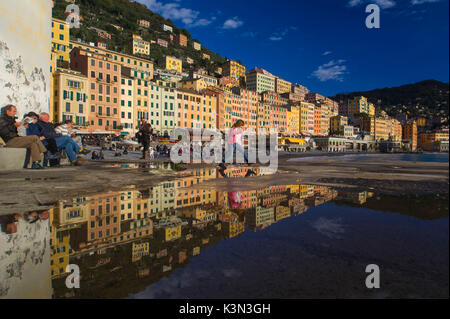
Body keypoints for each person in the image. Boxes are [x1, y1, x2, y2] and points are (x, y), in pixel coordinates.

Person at [0, 105, 47, 169]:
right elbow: (5, 133)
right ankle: (44, 151)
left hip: (15, 139)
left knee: (33, 143)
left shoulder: (11, 119)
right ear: (8, 111)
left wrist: (17, 125)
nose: (15, 113)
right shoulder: (2, 119)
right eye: (14, 111)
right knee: (34, 137)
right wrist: (14, 125)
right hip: (9, 141)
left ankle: (36, 163)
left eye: (15, 111)